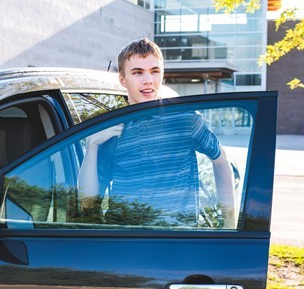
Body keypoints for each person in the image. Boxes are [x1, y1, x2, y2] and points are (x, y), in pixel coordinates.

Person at [77, 38, 236, 228]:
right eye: (138, 73)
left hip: (178, 240)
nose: (148, 80)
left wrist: (229, 223)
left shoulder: (184, 118)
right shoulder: (112, 129)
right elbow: (87, 201)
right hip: (125, 241)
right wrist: (92, 144)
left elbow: (220, 160)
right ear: (122, 80)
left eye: (154, 71)